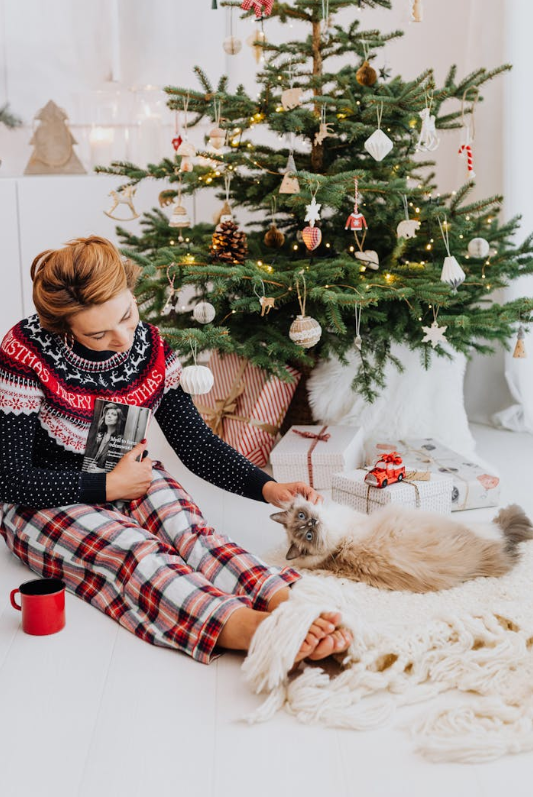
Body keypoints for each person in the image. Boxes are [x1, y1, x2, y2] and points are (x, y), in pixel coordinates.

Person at [0, 236, 352, 666]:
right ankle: (245, 627)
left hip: (126, 472)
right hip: (43, 500)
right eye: (98, 333)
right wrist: (106, 485)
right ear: (64, 328)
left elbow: (196, 444)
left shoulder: (151, 346)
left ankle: (284, 600)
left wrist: (270, 488)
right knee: (131, 549)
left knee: (186, 529)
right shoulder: (25, 349)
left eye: (127, 316)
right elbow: (10, 477)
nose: (123, 338)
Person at [86, 402, 127, 472]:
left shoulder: (120, 439)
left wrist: (100, 470)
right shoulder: (100, 435)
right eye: (107, 414)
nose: (109, 416)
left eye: (113, 414)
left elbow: (121, 468)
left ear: (118, 419)